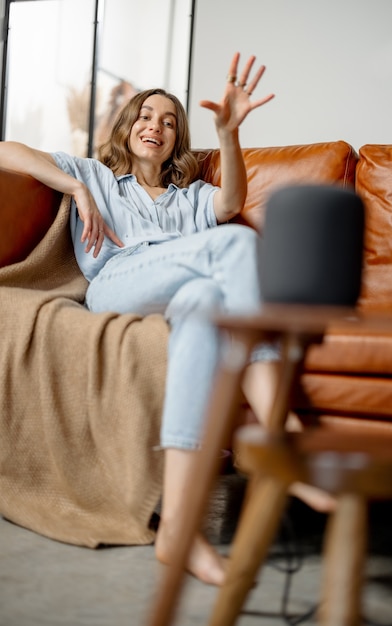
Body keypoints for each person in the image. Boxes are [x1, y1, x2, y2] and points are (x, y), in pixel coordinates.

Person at [0, 52, 334, 586]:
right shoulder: (97, 175)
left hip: (179, 289)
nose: (155, 126)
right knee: (236, 246)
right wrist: (76, 189)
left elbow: (229, 202)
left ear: (178, 140)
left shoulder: (190, 197)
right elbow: (6, 149)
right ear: (129, 127)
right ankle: (280, 432)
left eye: (170, 121)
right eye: (145, 116)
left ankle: (179, 529)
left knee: (204, 303)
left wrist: (228, 133)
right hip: (119, 282)